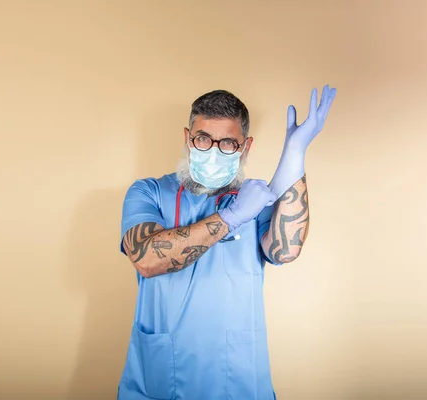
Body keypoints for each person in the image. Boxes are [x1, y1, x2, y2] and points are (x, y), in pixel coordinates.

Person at [117, 85, 337, 400]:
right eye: (203, 139)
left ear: (245, 148)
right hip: (163, 376)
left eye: (228, 143)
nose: (213, 151)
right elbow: (148, 259)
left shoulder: (254, 198)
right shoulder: (148, 192)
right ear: (187, 139)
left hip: (240, 379)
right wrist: (232, 217)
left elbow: (285, 249)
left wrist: (295, 155)